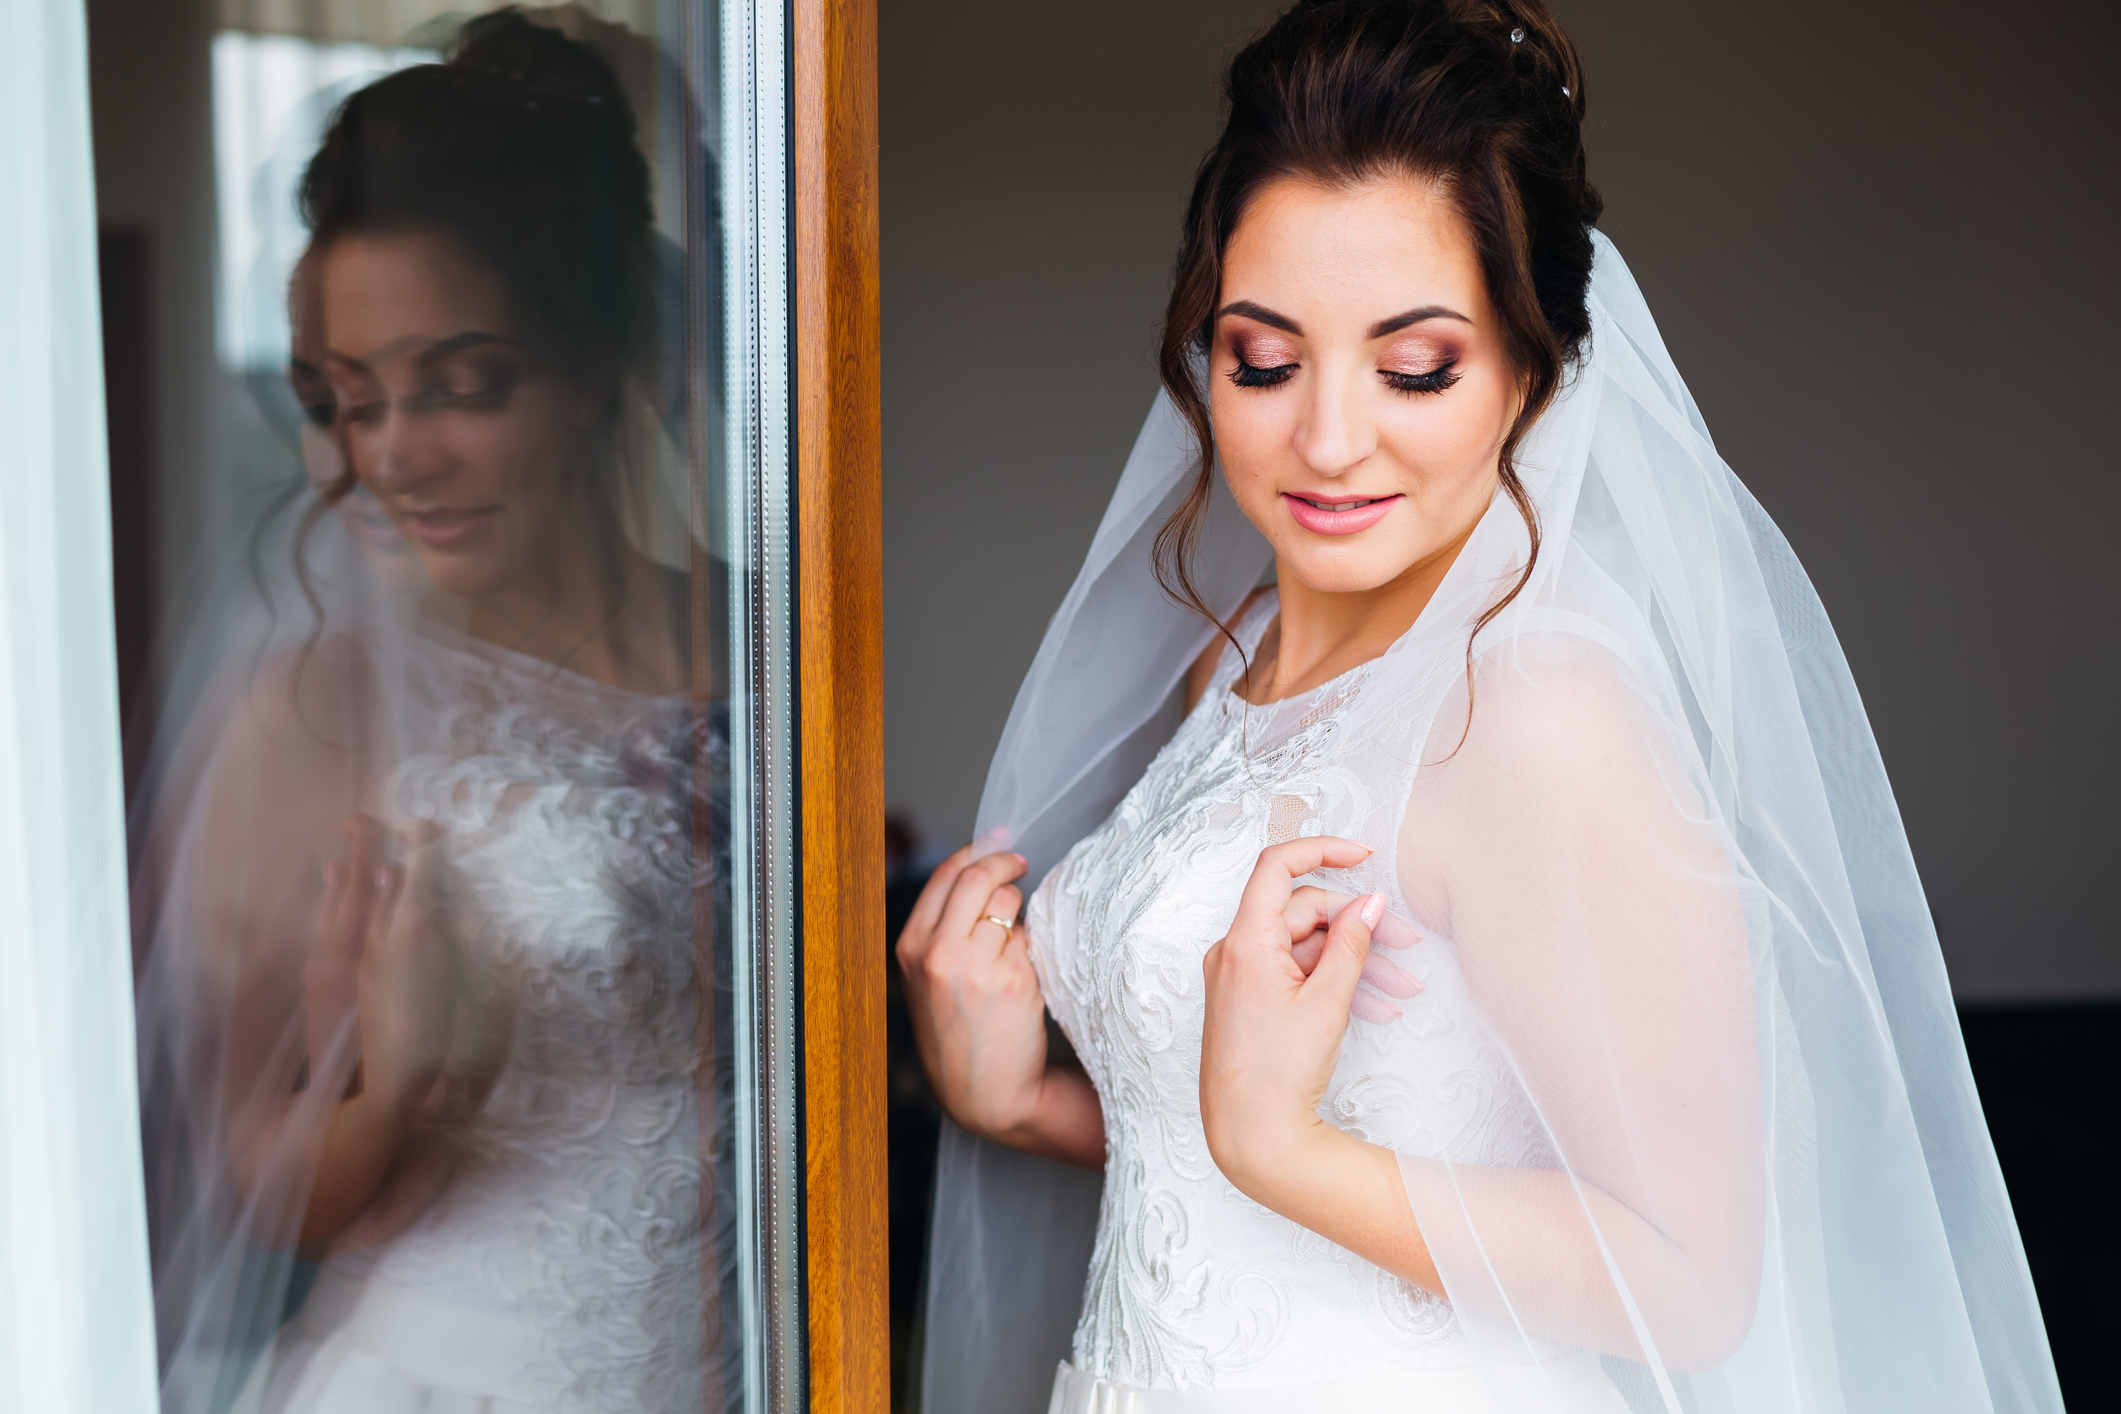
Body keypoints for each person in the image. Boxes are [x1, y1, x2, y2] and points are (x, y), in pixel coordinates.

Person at [896, 2, 2063, 1411]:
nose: (1327, 438)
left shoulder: (1532, 713)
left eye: (1414, 366)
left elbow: (1688, 1278)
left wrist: (1284, 1143)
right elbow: (1208, 1147)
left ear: (1530, 368)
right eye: (1263, 359)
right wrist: (1020, 1100)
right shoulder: (1235, 662)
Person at [131, 12, 737, 1411]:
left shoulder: (776, 647)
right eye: (347, 401)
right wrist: (397, 1081)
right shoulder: (310, 709)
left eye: (464, 383)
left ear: (593, 365)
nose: (394, 458)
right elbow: (255, 1188)